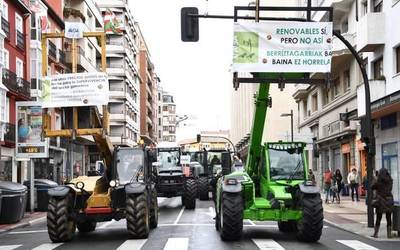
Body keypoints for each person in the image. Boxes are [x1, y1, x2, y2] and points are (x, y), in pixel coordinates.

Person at [371, 168, 394, 238]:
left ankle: (376, 234)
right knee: (388, 217)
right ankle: (389, 234)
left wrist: (375, 178)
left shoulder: (378, 181)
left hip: (380, 200)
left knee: (379, 217)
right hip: (389, 199)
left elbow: (372, 187)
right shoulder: (390, 180)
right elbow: (390, 188)